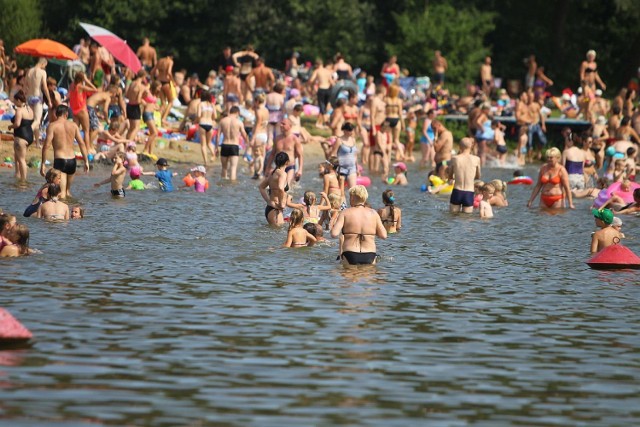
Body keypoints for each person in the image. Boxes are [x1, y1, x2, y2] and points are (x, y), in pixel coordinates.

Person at [40, 105, 90, 199]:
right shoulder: (74, 125)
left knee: (61, 194)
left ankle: (62, 212)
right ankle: (70, 209)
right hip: (72, 161)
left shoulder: (52, 126)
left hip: (60, 161)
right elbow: (82, 143)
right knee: (67, 192)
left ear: (56, 114)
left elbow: (46, 146)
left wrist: (43, 163)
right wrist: (86, 160)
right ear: (66, 114)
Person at [331, 185, 387, 265]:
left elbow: (334, 234)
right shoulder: (373, 213)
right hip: (369, 253)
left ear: (353, 197)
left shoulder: (345, 213)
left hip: (350, 253)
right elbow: (384, 235)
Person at [265, 119, 304, 184]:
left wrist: (300, 170)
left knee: (286, 187)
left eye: (283, 124)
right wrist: (268, 167)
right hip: (278, 167)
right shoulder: (277, 139)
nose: (281, 125)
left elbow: (300, 155)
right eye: (281, 123)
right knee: (272, 186)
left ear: (290, 126)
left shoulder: (295, 139)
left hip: (290, 167)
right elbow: (272, 154)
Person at [448, 137, 481, 213]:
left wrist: (452, 178)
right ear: (471, 146)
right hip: (469, 193)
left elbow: (450, 176)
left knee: (452, 217)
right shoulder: (476, 159)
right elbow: (478, 176)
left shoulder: (455, 158)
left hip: (457, 191)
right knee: (466, 220)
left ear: (459, 146)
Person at [216, 106, 249, 180]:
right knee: (233, 169)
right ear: (237, 113)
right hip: (234, 146)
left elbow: (217, 135)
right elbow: (244, 135)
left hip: (224, 145)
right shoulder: (239, 122)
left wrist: (216, 148)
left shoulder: (222, 121)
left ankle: (223, 188)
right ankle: (232, 188)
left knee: (224, 168)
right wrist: (248, 144)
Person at [24, 58, 52, 144]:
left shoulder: (29, 71)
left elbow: (25, 85)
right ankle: (26, 134)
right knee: (37, 121)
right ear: (43, 64)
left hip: (29, 96)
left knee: (34, 120)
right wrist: (49, 101)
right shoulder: (42, 72)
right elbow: (45, 87)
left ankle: (37, 143)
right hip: (37, 97)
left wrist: (25, 97)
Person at [69, 72, 98, 153]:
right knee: (86, 130)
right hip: (82, 110)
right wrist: (87, 80)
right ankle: (87, 149)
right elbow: (95, 89)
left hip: (74, 110)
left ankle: (69, 147)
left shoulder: (72, 85)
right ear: (82, 79)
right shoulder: (80, 86)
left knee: (75, 130)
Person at [9, 90, 34, 182]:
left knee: (21, 159)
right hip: (29, 135)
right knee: (18, 156)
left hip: (21, 137)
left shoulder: (20, 110)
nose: (14, 103)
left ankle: (23, 181)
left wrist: (10, 126)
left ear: (19, 100)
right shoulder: (30, 109)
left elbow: (17, 124)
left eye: (15, 101)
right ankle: (17, 174)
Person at [259, 152, 290, 226]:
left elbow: (261, 187)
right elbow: (280, 188)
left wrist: (268, 201)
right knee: (278, 233)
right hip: (276, 209)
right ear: (287, 162)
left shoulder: (273, 173)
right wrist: (281, 204)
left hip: (271, 207)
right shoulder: (282, 174)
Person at [330, 122, 358, 190]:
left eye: (352, 130)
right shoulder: (339, 140)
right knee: (340, 191)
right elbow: (333, 154)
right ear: (344, 130)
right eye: (350, 130)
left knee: (353, 190)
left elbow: (355, 155)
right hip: (341, 169)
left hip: (352, 169)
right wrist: (333, 169)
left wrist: (357, 167)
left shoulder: (353, 140)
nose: (351, 132)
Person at [308, 59, 335, 128]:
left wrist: (311, 87)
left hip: (321, 89)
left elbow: (311, 80)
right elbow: (332, 82)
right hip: (328, 90)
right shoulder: (328, 71)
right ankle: (320, 123)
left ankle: (326, 122)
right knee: (324, 107)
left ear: (317, 65)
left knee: (322, 106)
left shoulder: (317, 71)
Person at [383, 84, 405, 160]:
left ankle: (388, 158)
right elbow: (400, 114)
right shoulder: (399, 101)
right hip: (396, 119)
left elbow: (383, 112)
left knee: (389, 140)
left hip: (388, 119)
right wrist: (403, 124)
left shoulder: (386, 99)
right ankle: (402, 154)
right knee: (396, 140)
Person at [196, 91, 218, 166]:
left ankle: (206, 161)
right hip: (210, 124)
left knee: (203, 145)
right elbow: (215, 116)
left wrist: (195, 120)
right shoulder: (212, 105)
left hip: (202, 123)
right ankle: (213, 155)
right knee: (209, 143)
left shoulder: (200, 104)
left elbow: (199, 115)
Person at [152, 54, 175, 125]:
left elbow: (152, 72)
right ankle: (164, 119)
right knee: (171, 102)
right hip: (166, 82)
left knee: (163, 103)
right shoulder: (170, 61)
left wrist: (154, 81)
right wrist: (173, 81)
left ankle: (158, 119)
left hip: (159, 82)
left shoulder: (160, 60)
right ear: (171, 57)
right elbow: (169, 72)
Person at [250, 94, 269, 179]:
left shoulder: (258, 111)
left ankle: (258, 173)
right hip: (264, 134)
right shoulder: (266, 110)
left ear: (257, 101)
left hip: (258, 134)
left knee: (257, 155)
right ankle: (261, 172)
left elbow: (258, 124)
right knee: (262, 154)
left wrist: (253, 138)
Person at [125, 70, 147, 141]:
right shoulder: (141, 86)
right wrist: (142, 101)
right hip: (135, 107)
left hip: (129, 105)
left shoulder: (132, 83)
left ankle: (126, 142)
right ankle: (129, 143)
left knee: (131, 128)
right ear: (143, 77)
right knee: (136, 127)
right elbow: (138, 100)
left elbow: (127, 95)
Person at [141, 81, 162, 155]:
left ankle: (151, 152)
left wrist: (156, 106)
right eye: (159, 87)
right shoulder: (148, 92)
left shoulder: (155, 94)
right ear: (155, 86)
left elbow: (154, 102)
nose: (160, 89)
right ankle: (145, 149)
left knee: (153, 133)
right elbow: (141, 97)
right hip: (147, 113)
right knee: (154, 133)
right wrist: (145, 104)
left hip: (152, 114)